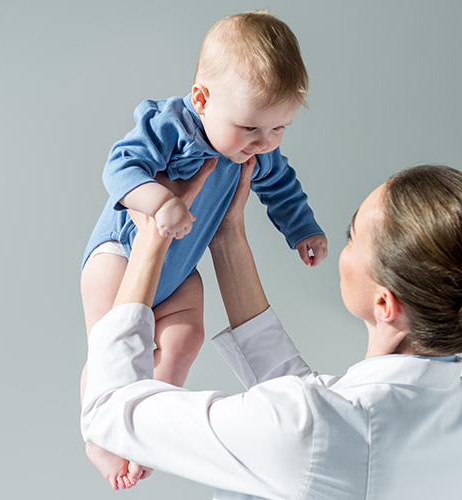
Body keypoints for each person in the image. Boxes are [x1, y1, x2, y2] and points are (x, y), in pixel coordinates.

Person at [81, 162, 462, 498]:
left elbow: (107, 412)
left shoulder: (314, 427)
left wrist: (149, 242)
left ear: (384, 303)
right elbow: (317, 416)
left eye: (352, 236)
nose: (344, 249)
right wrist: (227, 233)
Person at [80, 11, 327, 487]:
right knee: (110, 347)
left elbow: (282, 188)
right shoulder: (171, 125)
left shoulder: (254, 151)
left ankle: (147, 426)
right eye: (251, 128)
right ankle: (98, 433)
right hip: (120, 254)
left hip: (179, 269)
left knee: (187, 337)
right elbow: (120, 165)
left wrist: (303, 230)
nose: (263, 143)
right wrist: (159, 201)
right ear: (201, 99)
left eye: (280, 129)